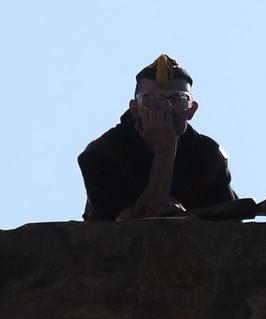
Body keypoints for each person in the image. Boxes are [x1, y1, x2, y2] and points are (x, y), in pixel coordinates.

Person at [78, 54, 236, 221]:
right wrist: (165, 152)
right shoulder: (103, 153)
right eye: (152, 99)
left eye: (178, 99)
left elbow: (231, 224)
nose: (166, 107)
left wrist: (186, 216)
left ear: (191, 109)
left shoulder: (208, 155)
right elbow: (131, 230)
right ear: (135, 108)